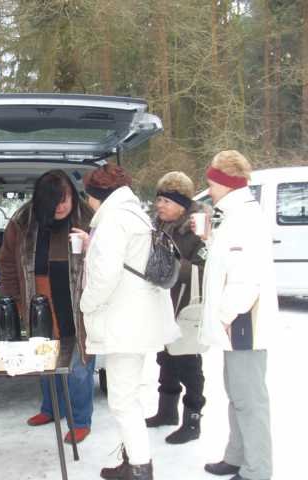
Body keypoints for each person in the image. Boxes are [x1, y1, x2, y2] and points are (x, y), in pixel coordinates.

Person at [78, 164, 178, 480]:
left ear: (98, 195)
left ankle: (139, 468)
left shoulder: (112, 221)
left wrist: (85, 303)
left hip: (124, 323)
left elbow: (105, 277)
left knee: (123, 400)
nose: (88, 203)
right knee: (128, 395)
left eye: (89, 197)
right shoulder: (134, 215)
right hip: (138, 319)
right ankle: (134, 460)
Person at [0, 169, 95, 444]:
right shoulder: (22, 220)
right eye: (54, 202)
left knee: (79, 366)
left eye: (65, 199)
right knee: (43, 358)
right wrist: (13, 299)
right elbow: (7, 264)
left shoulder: (88, 217)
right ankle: (51, 409)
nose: (61, 206)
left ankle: (80, 420)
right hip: (38, 299)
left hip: (79, 303)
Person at [200, 150, 275, 480]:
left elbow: (246, 279)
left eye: (211, 182)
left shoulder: (244, 218)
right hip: (236, 321)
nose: (209, 188)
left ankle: (257, 470)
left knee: (250, 399)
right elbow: (225, 265)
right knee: (237, 394)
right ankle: (237, 456)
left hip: (244, 321)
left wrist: (224, 316)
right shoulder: (231, 214)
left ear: (225, 182)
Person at [144, 171, 208, 444]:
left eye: (166, 201)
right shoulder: (156, 226)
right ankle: (166, 411)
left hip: (186, 305)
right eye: (158, 200)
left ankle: (192, 421)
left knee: (188, 364)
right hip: (162, 305)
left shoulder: (198, 228)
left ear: (182, 204)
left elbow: (205, 269)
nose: (159, 206)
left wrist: (168, 268)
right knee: (166, 358)